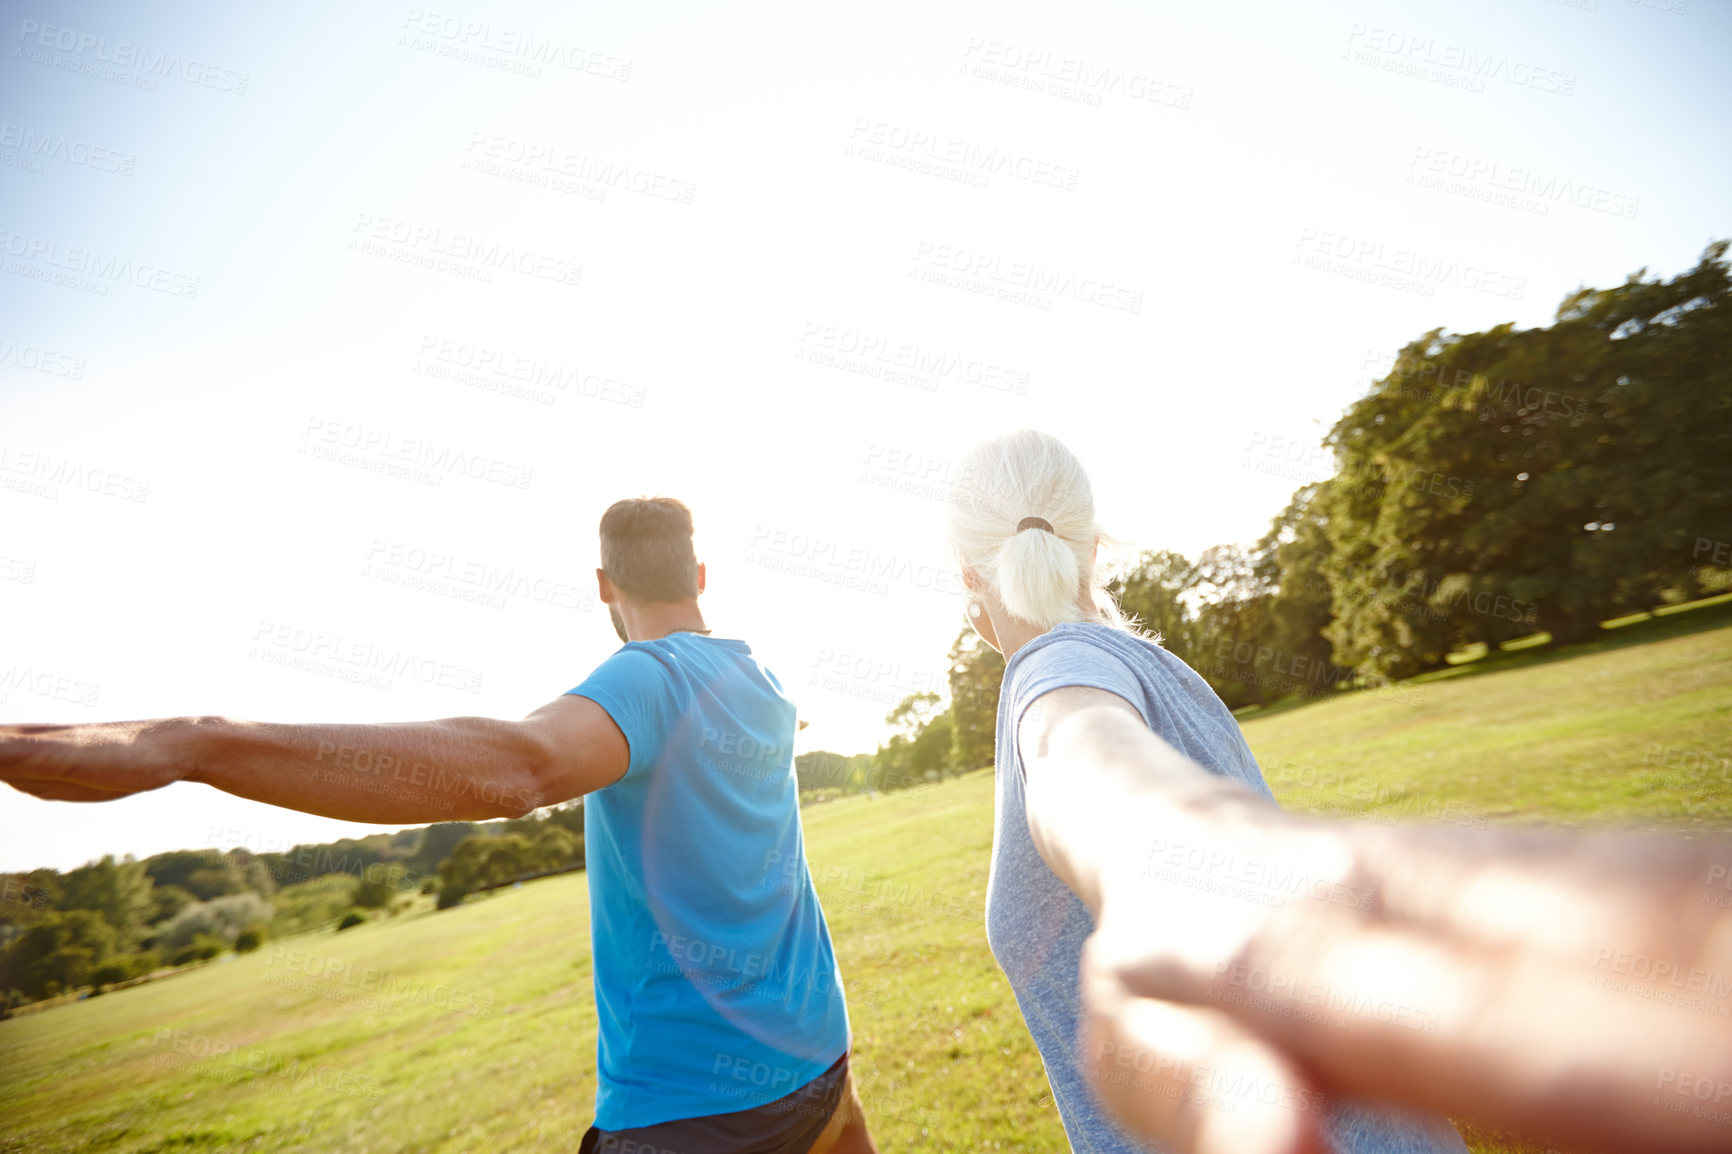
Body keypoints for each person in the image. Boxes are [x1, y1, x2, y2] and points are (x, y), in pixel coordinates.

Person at [0, 497, 876, 1154]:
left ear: (603, 586)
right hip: (815, 1060)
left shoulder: (650, 676)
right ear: (701, 576)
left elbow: (517, 768)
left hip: (692, 1112)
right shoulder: (758, 677)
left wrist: (202, 745)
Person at [947, 429, 1732, 1154]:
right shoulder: (1147, 666)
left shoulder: (1052, 675)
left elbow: (1076, 749)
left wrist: (1163, 851)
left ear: (969, 579)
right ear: (1093, 546)